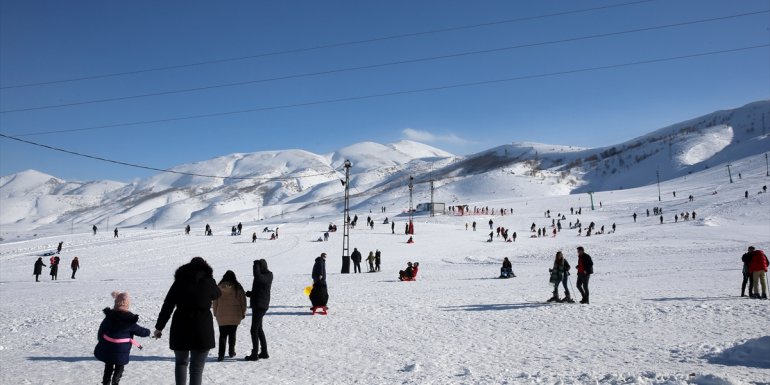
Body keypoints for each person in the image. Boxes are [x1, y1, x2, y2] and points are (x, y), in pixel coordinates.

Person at [154, 257, 221, 385]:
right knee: (196, 368)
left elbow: (167, 305)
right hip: (202, 329)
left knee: (181, 363)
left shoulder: (179, 282)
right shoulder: (208, 281)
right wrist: (210, 279)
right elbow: (217, 294)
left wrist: (159, 327)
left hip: (180, 327)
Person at [94, 291, 150, 385]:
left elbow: (101, 331)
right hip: (122, 350)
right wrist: (148, 332)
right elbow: (140, 331)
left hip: (108, 347)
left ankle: (106, 382)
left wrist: (101, 341)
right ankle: (115, 381)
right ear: (127, 305)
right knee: (119, 366)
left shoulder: (108, 318)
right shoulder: (130, 320)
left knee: (108, 365)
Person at [212, 270, 246, 361]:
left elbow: (215, 302)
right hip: (235, 315)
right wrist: (243, 312)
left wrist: (215, 313)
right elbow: (243, 301)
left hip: (221, 315)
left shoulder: (219, 287)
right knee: (232, 333)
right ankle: (231, 352)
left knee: (222, 335)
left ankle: (221, 355)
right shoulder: (238, 287)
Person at [245, 260, 273, 360]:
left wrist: (256, 265)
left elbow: (258, 277)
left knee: (254, 330)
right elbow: (260, 289)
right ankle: (264, 352)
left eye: (258, 266)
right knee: (259, 329)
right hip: (259, 304)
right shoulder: (263, 276)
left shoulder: (268, 275)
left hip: (260, 306)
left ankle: (254, 354)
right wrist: (251, 294)